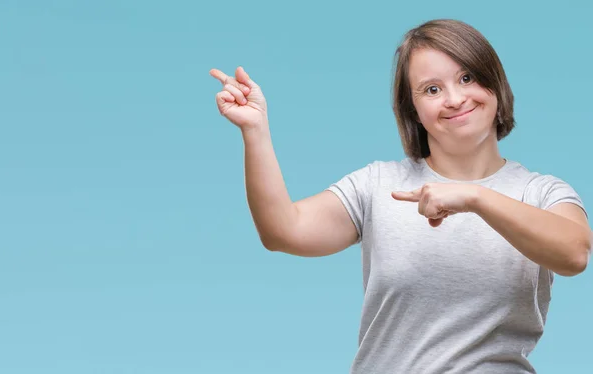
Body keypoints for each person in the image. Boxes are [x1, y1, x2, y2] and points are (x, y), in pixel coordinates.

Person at [209, 19, 591, 374]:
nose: (455, 98)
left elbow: (574, 253)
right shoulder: (378, 184)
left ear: (495, 84)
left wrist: (476, 198)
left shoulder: (540, 192)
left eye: (467, 77)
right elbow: (282, 231)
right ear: (414, 111)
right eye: (432, 89)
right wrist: (254, 130)